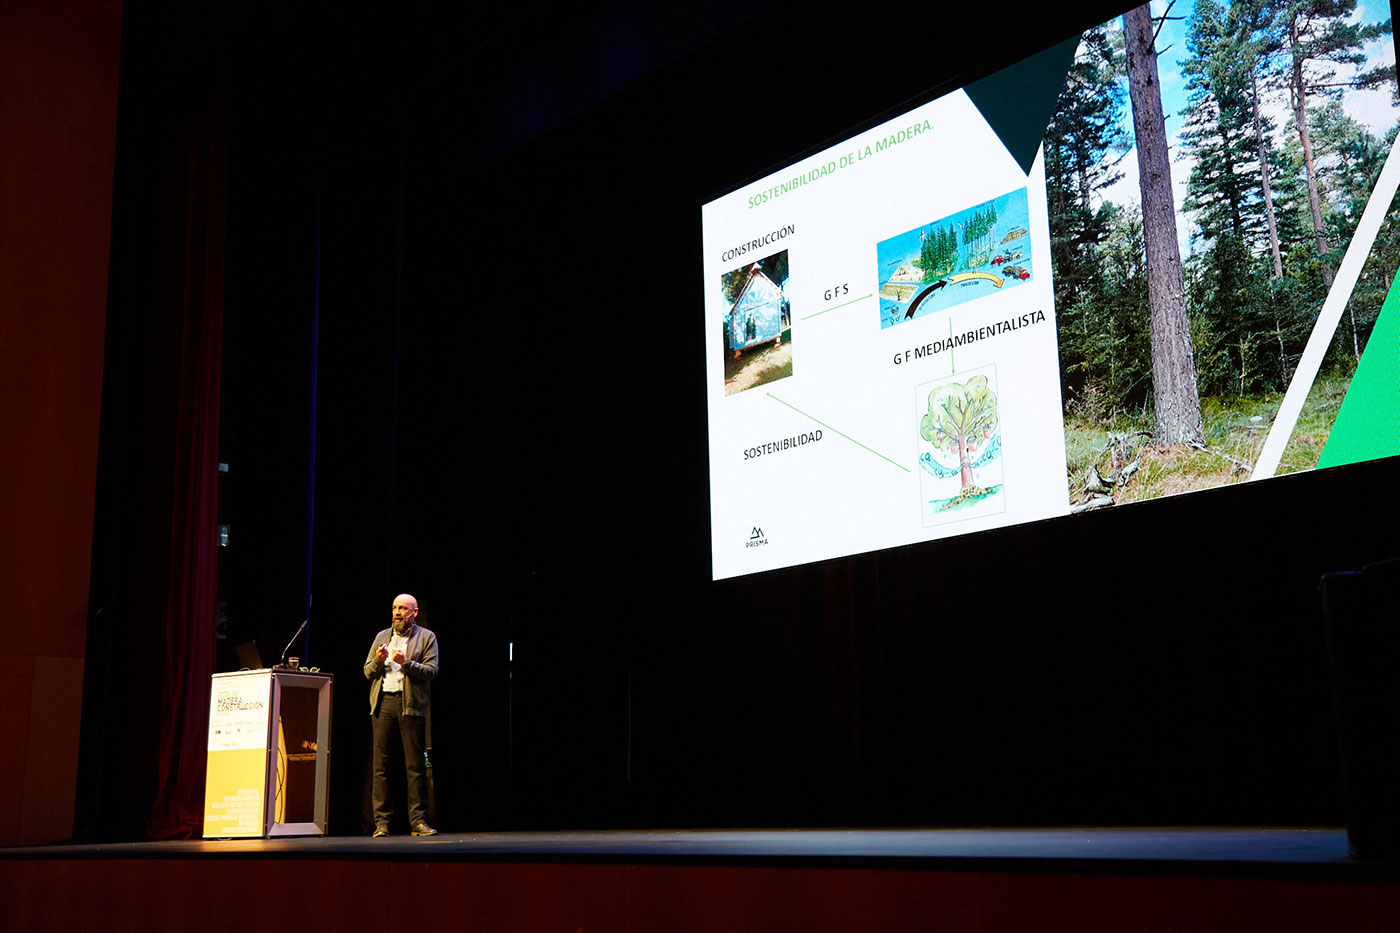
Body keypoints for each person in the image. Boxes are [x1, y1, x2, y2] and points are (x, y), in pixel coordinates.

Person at [364, 593, 439, 836]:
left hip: (411, 707)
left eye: (403, 608)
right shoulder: (381, 637)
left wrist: (407, 663)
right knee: (381, 766)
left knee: (414, 766)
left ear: (414, 613)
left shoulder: (426, 637)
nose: (397, 612)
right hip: (383, 704)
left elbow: (431, 671)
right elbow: (367, 672)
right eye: (395, 607)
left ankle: (418, 821)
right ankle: (382, 823)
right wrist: (378, 661)